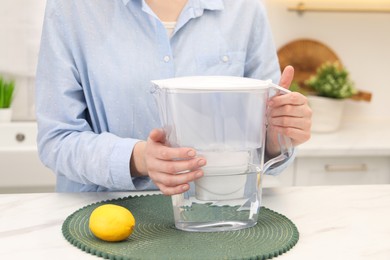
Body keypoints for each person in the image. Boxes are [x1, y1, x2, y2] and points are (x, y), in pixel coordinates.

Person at [36, 0, 311, 194]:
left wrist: (278, 135)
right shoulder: (71, 8)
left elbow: (268, 143)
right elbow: (56, 139)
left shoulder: (245, 9)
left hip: (218, 212)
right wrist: (138, 159)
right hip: (104, 216)